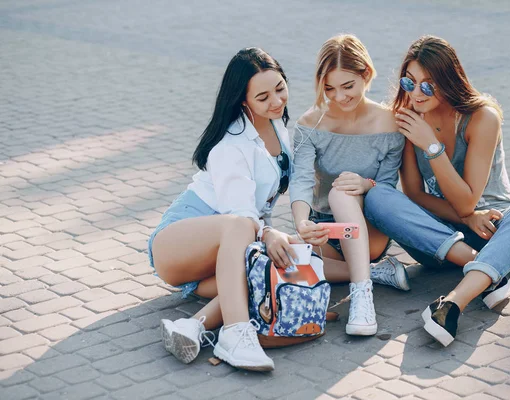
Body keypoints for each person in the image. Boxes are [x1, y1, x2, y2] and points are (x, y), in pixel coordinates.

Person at [364, 35, 510, 346]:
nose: (417, 94)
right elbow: (417, 196)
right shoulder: (408, 120)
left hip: (493, 226)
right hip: (437, 239)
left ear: (449, 81)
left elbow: (469, 199)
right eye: (410, 83)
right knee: (377, 196)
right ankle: (492, 270)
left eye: (428, 85)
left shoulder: (481, 117)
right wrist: (465, 218)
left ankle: (451, 304)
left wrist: (432, 147)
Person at [148, 48, 299, 370]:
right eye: (263, 96)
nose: (276, 101)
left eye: (280, 88)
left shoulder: (277, 127)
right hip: (177, 244)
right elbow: (241, 215)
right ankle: (235, 333)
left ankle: (193, 326)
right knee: (243, 227)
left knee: (277, 265)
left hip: (219, 255)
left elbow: (261, 208)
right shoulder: (230, 145)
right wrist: (268, 232)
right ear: (243, 100)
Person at [290, 34, 410, 337]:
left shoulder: (388, 122)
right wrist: (301, 221)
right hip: (326, 234)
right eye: (329, 88)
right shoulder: (310, 123)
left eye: (348, 86)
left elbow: (385, 188)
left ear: (366, 75)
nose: (339, 96)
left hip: (370, 230)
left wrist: (364, 183)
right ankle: (377, 272)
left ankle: (362, 296)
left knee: (341, 191)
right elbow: (302, 179)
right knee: (281, 255)